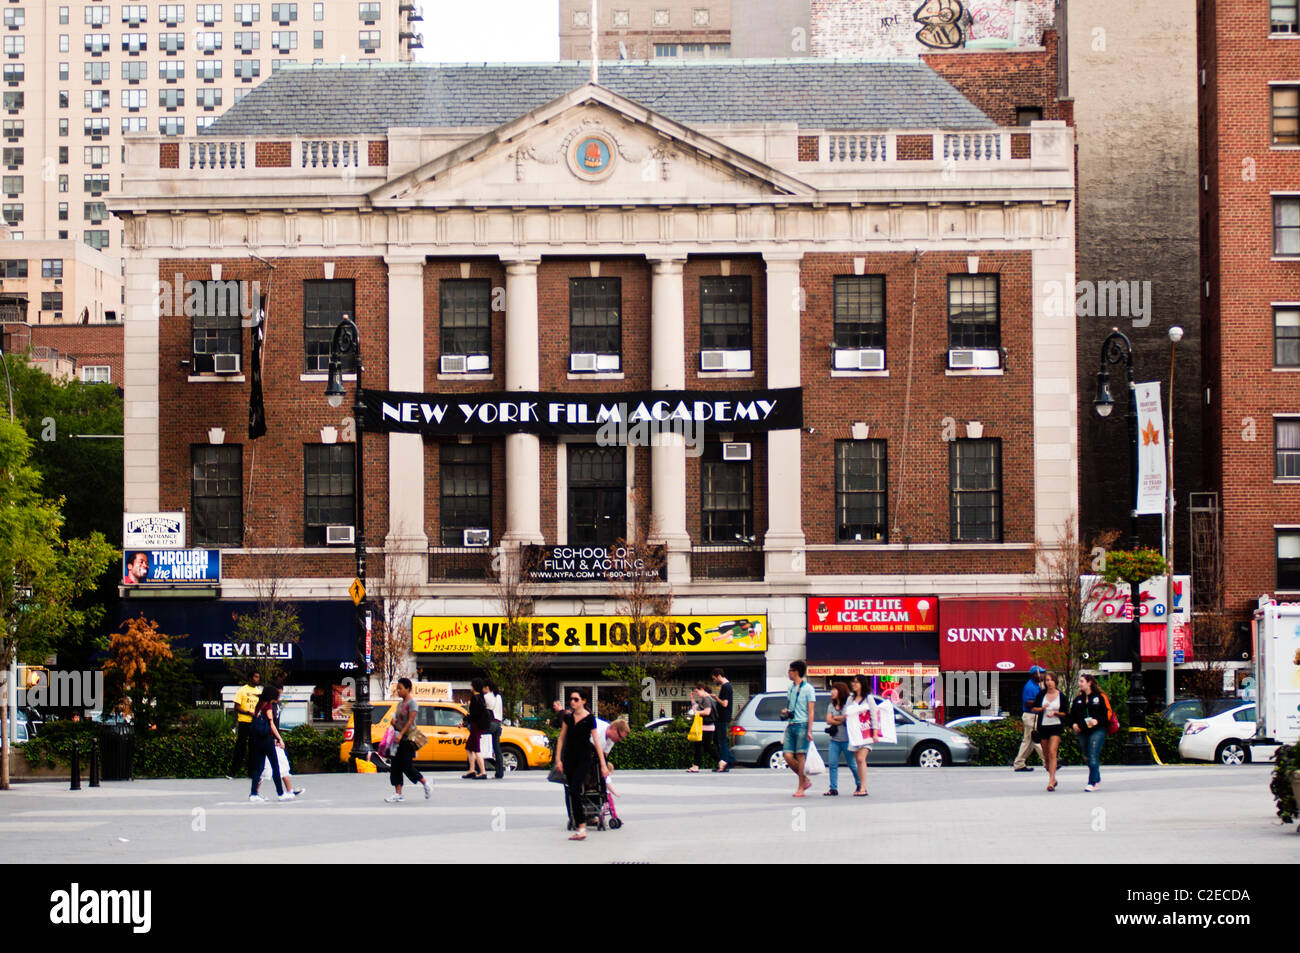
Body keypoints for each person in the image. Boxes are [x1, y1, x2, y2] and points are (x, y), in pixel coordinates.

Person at [555, 688, 609, 841]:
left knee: (575, 788)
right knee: (572, 791)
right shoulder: (568, 718)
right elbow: (561, 739)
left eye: (576, 699)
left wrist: (603, 765)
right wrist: (558, 759)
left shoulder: (589, 719)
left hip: (584, 758)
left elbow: (597, 742)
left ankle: (582, 826)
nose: (572, 702)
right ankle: (580, 825)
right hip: (569, 758)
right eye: (571, 699)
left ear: (584, 701)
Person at [386, 677, 432, 802]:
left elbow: (410, 721)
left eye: (400, 688)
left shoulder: (412, 703)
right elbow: (399, 720)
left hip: (407, 739)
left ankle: (425, 783)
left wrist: (401, 734)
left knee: (407, 766)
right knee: (395, 766)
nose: (398, 691)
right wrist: (393, 722)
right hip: (397, 737)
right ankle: (398, 793)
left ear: (408, 689)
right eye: (397, 689)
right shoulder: (400, 704)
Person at [248, 687, 294, 802]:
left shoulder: (258, 705)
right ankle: (280, 793)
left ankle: (253, 794)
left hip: (257, 739)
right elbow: (271, 724)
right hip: (267, 740)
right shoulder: (268, 707)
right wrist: (279, 738)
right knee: (275, 767)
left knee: (258, 767)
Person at [780, 659, 816, 797]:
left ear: (796, 672)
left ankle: (801, 787)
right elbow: (790, 706)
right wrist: (786, 711)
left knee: (801, 756)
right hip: (791, 723)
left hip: (802, 724)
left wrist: (809, 730)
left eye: (790, 670)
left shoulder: (808, 689)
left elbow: (811, 710)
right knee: (787, 755)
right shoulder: (790, 688)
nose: (788, 673)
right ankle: (805, 779)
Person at [1070, 673, 1109, 792]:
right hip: (1083, 730)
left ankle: (1091, 782)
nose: (1080, 684)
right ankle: (1096, 777)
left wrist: (1097, 721)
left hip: (1098, 730)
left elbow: (1107, 714)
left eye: (1082, 681)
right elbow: (1072, 716)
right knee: (1087, 755)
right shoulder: (1078, 700)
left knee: (1093, 753)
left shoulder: (1099, 697)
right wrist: (1074, 724)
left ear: (1089, 683)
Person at [823, 681, 861, 796]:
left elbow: (847, 718)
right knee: (832, 764)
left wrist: (837, 718)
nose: (832, 692)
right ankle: (833, 788)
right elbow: (828, 720)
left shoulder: (848, 704)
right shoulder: (831, 705)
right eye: (831, 690)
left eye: (835, 689)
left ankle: (860, 784)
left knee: (852, 764)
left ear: (841, 691)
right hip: (835, 740)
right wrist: (839, 719)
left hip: (847, 740)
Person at [1030, 671, 1066, 792]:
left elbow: (1065, 713)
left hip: (1056, 725)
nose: (1049, 683)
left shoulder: (1061, 696)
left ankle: (1051, 780)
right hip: (1043, 726)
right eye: (1047, 680)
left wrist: (1056, 713)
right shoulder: (1041, 695)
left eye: (1051, 680)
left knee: (1052, 751)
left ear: (1055, 681)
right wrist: (1042, 708)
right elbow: (1034, 708)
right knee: (1046, 754)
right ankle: (1050, 770)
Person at [845, 675, 877, 797]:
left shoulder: (868, 698)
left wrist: (875, 732)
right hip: (854, 733)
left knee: (860, 759)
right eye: (853, 682)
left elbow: (874, 714)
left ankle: (863, 786)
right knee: (857, 760)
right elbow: (846, 712)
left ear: (862, 684)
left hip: (866, 732)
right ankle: (860, 785)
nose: (854, 684)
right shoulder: (850, 698)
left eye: (857, 682)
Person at [228, 671, 262, 779]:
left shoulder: (259, 692)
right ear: (250, 678)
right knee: (240, 747)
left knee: (253, 747)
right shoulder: (242, 690)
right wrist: (248, 712)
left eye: (258, 677)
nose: (257, 679)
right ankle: (233, 771)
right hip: (244, 722)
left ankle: (251, 772)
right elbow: (236, 708)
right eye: (256, 677)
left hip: (255, 722)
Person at [1012, 666, 1046, 772]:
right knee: (1037, 739)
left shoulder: (1038, 686)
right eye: (1040, 673)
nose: (1043, 675)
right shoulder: (1030, 686)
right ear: (1034, 675)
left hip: (1035, 715)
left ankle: (1019, 763)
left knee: (1028, 741)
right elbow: (1028, 702)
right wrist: (1040, 701)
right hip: (1031, 715)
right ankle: (1048, 761)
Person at [463, 677, 491, 779]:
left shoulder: (475, 698)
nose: (470, 687)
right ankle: (471, 769)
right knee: (469, 747)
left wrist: (465, 720)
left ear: (474, 687)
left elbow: (474, 714)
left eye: (471, 685)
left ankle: (483, 772)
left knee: (476, 749)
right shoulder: (481, 698)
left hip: (476, 725)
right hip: (479, 725)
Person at [685, 684, 716, 773]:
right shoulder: (707, 699)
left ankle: (696, 766)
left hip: (706, 726)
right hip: (707, 727)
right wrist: (692, 699)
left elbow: (707, 712)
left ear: (702, 689)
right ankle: (720, 761)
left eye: (697, 692)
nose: (697, 694)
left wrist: (697, 712)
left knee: (700, 746)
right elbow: (696, 707)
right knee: (706, 747)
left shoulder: (706, 699)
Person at [710, 668, 735, 772]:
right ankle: (730, 760)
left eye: (714, 678)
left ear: (719, 676)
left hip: (723, 718)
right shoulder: (727, 686)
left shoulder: (726, 687)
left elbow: (725, 704)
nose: (714, 681)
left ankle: (724, 763)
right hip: (721, 718)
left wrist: (716, 698)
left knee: (722, 742)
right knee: (717, 739)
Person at [484, 680, 505, 779]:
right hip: (498, 724)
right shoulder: (499, 697)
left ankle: (480, 768)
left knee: (477, 740)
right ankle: (499, 772)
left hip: (490, 723)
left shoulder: (486, 697)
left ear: (487, 687)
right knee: (497, 749)